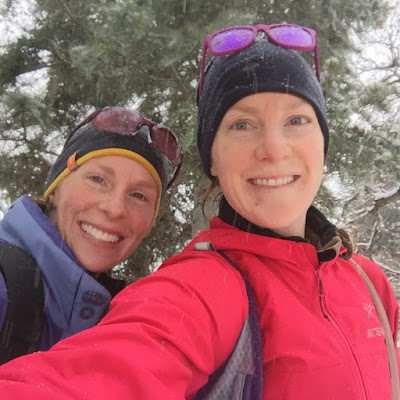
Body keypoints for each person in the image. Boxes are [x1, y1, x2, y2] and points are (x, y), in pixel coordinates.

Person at [0, 23, 398, 400]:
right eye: (242, 125)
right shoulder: (202, 288)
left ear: (323, 142)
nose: (274, 149)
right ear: (213, 160)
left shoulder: (369, 283)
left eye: (297, 119)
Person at [0, 106, 182, 364]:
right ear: (56, 188)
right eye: (98, 180)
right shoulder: (5, 287)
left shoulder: (119, 321)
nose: (115, 208)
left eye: (138, 195)